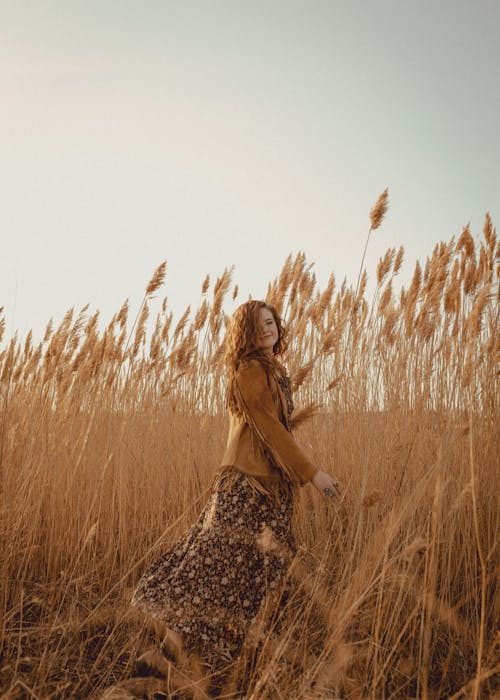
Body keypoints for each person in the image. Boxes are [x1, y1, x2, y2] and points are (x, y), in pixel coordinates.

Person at [131, 299, 340, 676]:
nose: (267, 328)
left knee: (262, 570)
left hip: (267, 487)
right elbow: (271, 429)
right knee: (215, 563)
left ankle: (225, 660)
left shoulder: (271, 369)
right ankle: (171, 654)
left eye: (270, 321)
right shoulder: (248, 371)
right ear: (245, 332)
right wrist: (313, 473)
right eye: (257, 324)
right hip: (246, 486)